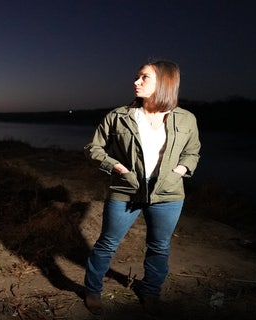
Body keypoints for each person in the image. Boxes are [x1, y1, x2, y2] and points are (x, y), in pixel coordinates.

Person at [82, 60, 201, 316]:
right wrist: (117, 167)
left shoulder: (187, 119)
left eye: (144, 77)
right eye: (137, 77)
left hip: (168, 194)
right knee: (107, 243)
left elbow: (193, 152)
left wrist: (178, 171)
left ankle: (151, 292)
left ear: (165, 83)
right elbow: (94, 148)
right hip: (126, 190)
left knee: (159, 246)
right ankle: (92, 290)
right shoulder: (118, 116)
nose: (136, 82)